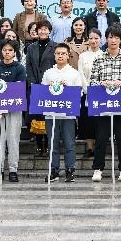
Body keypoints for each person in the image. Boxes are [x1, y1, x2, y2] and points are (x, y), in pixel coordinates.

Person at [89, 25, 121, 182]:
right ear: (106, 39)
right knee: (101, 138)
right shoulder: (99, 59)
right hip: (104, 105)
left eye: (116, 37)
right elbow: (92, 82)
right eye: (110, 37)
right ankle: (98, 168)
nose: (113, 40)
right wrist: (101, 83)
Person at [43, 43, 84, 183]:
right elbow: (42, 93)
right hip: (51, 113)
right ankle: (53, 170)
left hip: (68, 114)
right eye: (58, 53)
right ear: (54, 55)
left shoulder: (74, 73)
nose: (60, 56)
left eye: (63, 53)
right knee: (52, 143)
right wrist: (48, 87)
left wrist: (68, 88)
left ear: (68, 56)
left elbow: (79, 93)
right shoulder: (48, 73)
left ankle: (70, 170)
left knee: (69, 143)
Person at [0, 40, 26, 182]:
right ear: (1, 52)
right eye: (5, 50)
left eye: (10, 50)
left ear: (14, 52)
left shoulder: (20, 68)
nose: (7, 52)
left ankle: (13, 170)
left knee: (13, 139)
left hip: (14, 108)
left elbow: (20, 89)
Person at [25, 20, 56, 158]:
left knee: (48, 116)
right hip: (35, 87)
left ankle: (49, 146)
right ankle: (39, 146)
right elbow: (29, 66)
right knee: (37, 117)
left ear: (49, 31)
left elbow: (56, 65)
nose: (43, 31)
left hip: (50, 86)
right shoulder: (31, 47)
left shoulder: (55, 46)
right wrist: (32, 83)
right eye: (40, 29)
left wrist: (50, 82)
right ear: (36, 31)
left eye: (45, 29)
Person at [76, 28, 103, 154]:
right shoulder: (83, 56)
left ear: (101, 40)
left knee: (99, 120)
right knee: (87, 119)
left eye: (96, 38)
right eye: (91, 38)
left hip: (102, 92)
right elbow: (80, 73)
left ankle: (99, 145)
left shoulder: (104, 55)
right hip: (86, 91)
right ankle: (89, 146)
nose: (93, 41)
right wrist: (87, 89)